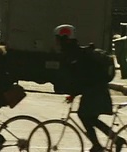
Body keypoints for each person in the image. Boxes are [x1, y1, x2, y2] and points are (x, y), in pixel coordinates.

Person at [54, 24, 127, 152]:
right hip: (95, 90)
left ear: (64, 38)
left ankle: (99, 145)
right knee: (90, 118)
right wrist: (74, 93)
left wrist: (73, 93)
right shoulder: (75, 52)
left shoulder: (74, 54)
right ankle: (115, 140)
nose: (57, 42)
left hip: (94, 91)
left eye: (58, 39)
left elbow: (81, 78)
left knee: (85, 116)